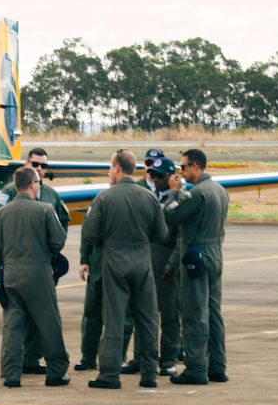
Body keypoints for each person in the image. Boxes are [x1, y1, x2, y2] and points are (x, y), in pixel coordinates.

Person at [82, 149, 168, 389]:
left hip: (115, 261)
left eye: (111, 168)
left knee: (114, 319)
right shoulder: (149, 197)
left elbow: (90, 234)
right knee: (148, 319)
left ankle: (109, 374)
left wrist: (108, 243)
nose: (110, 172)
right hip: (142, 261)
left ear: (118, 168)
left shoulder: (104, 198)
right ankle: (149, 373)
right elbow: (161, 234)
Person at [0, 147, 70, 375]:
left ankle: (13, 371)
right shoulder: (22, 199)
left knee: (14, 325)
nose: (40, 169)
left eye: (44, 166)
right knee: (49, 322)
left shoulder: (51, 195)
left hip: (13, 272)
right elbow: (58, 239)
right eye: (35, 164)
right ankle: (57, 372)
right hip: (38, 272)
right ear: (27, 170)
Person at [165, 148, 230, 385]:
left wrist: (174, 193)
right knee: (213, 312)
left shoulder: (198, 193)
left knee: (194, 312)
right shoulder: (220, 191)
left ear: (195, 166)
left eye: (183, 167)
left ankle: (196, 367)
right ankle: (217, 366)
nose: (181, 172)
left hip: (196, 255)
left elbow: (171, 217)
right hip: (215, 253)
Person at [145, 151, 184, 375]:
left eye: (160, 176)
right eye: (153, 175)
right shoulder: (150, 196)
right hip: (149, 262)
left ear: (171, 177)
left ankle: (168, 360)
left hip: (168, 265)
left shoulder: (181, 197)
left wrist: (172, 266)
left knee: (170, 315)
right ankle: (145, 358)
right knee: (147, 314)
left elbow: (180, 237)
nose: (155, 180)